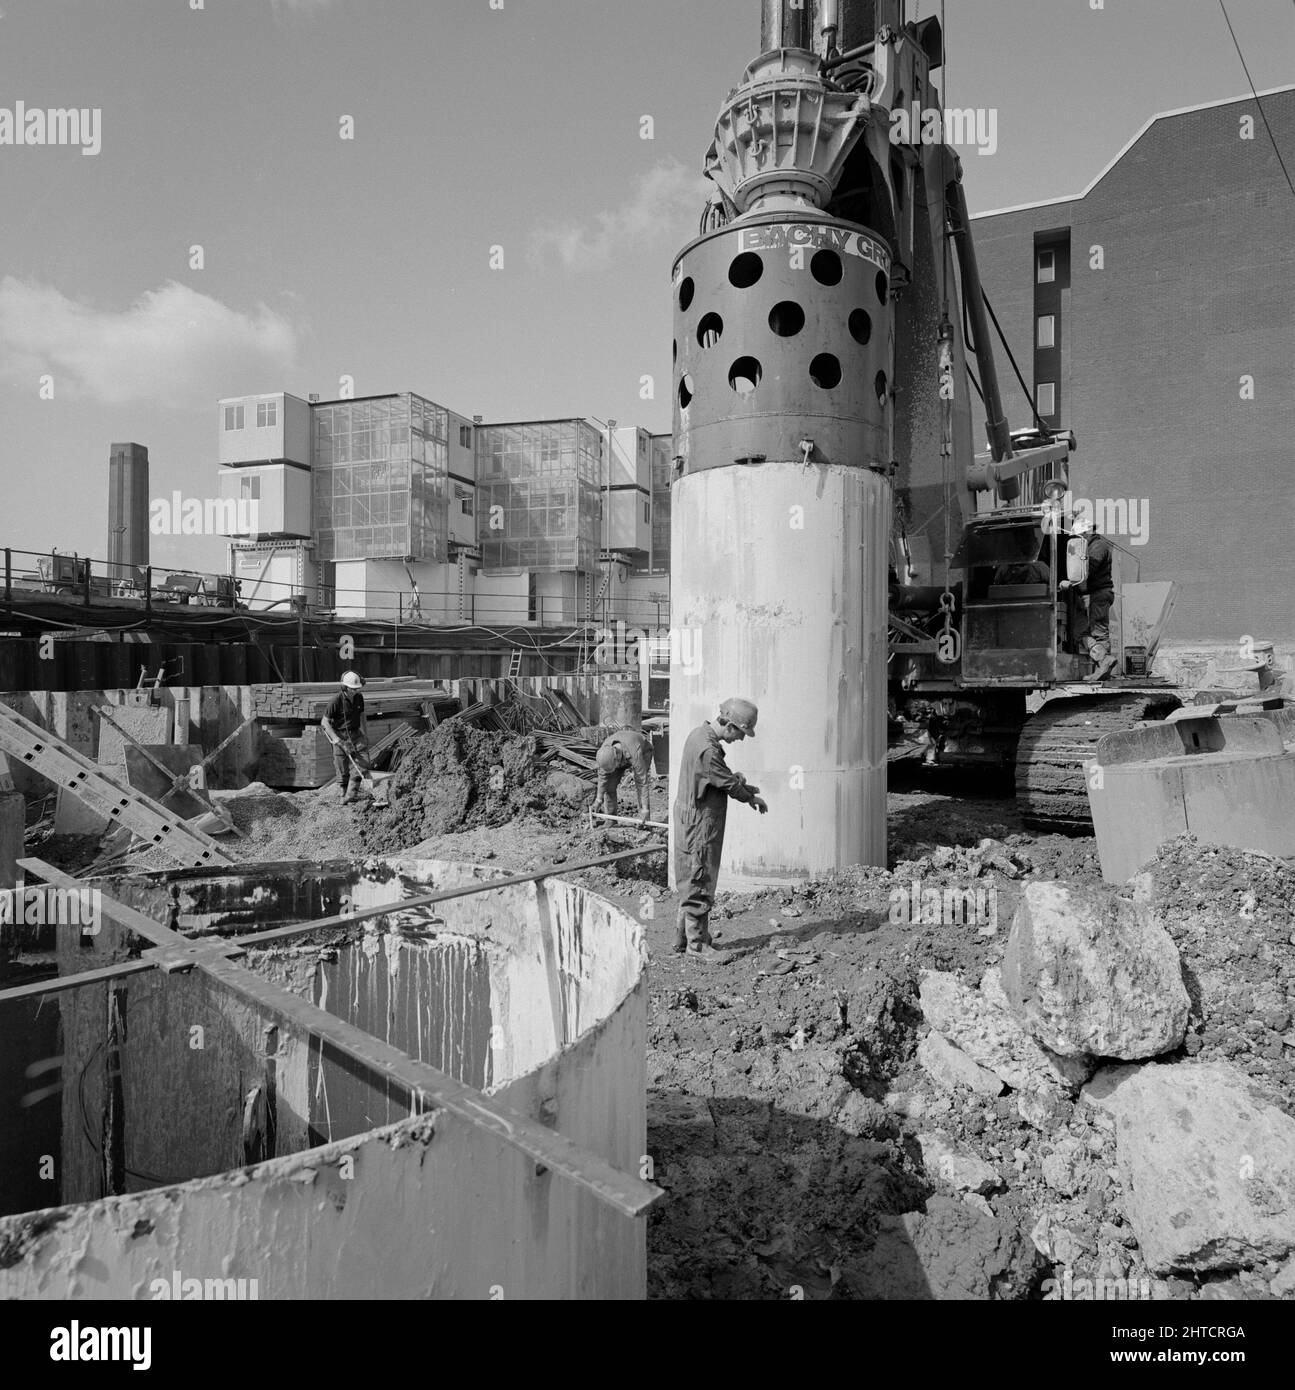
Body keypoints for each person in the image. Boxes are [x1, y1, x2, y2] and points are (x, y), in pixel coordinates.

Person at [672, 697, 768, 964]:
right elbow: (724, 781)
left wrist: (736, 782)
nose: (741, 739)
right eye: (741, 733)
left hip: (690, 816)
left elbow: (715, 777)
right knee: (700, 878)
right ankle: (698, 946)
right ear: (728, 725)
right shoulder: (709, 750)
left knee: (689, 876)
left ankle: (683, 937)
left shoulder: (698, 735)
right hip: (701, 823)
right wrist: (749, 796)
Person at [1059, 517, 1116, 682]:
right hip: (1095, 594)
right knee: (1080, 631)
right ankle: (1104, 664)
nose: (1078, 539)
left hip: (1098, 594)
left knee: (1099, 632)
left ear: (1088, 531)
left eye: (1079, 535)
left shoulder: (1098, 546)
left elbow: (1086, 570)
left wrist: (1070, 582)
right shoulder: (1092, 545)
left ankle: (1103, 664)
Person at [320, 671, 369, 804]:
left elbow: (362, 715)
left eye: (357, 688)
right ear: (345, 687)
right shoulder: (335, 701)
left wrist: (364, 733)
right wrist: (337, 740)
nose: (355, 691)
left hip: (356, 734)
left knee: (363, 763)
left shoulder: (359, 697)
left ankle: (351, 794)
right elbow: (324, 722)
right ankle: (342, 793)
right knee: (342, 767)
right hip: (340, 734)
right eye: (352, 689)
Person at [593, 727, 655, 825]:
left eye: (613, 768)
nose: (610, 771)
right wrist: (598, 800)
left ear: (617, 758)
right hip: (622, 753)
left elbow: (642, 782)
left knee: (639, 781)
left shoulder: (635, 752)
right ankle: (611, 820)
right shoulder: (605, 753)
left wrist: (645, 808)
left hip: (643, 751)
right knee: (609, 786)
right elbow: (603, 776)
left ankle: (645, 821)